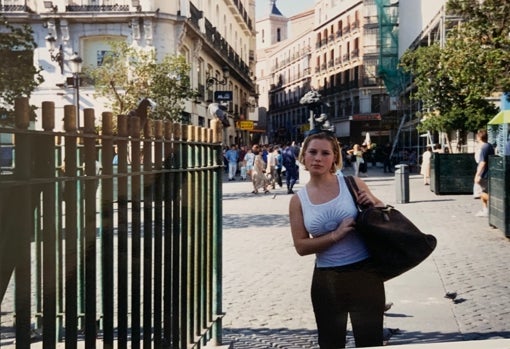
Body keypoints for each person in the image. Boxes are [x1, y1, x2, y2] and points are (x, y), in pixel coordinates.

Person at [289, 131, 386, 348]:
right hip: (327, 280)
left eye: (325, 153)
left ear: (335, 158)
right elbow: (301, 246)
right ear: (303, 156)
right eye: (312, 152)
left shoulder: (352, 183)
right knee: (330, 342)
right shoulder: (298, 200)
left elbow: (384, 215)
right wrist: (335, 235)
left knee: (370, 341)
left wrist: (372, 202)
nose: (318, 158)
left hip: (365, 274)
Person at [474, 129, 495, 217]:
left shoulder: (484, 147)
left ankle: (497, 203)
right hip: (488, 172)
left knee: (480, 193)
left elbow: (482, 162)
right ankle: (485, 209)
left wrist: (477, 175)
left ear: (479, 137)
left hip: (484, 173)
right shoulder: (489, 146)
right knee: (484, 190)